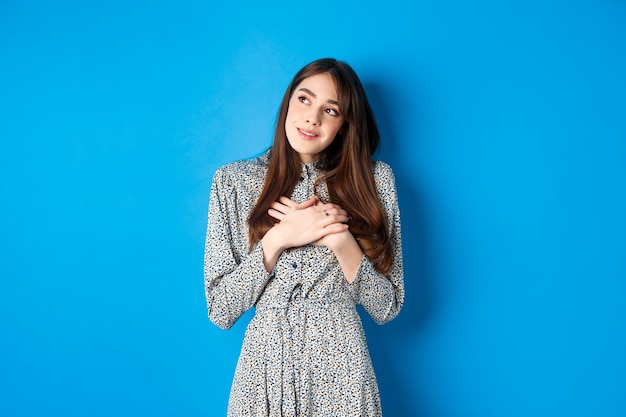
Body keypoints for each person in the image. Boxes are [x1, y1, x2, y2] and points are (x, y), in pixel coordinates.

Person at [204, 58, 404, 417]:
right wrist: (278, 238)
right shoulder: (233, 181)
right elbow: (221, 309)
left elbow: (387, 307)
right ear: (288, 102)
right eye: (304, 99)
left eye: (331, 109)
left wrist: (340, 239)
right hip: (264, 368)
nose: (313, 118)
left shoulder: (375, 181)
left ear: (345, 124)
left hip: (342, 366)